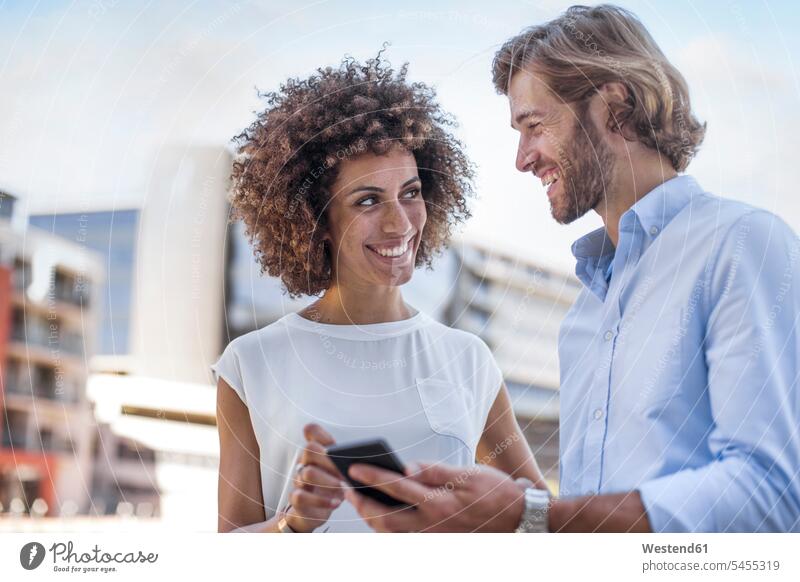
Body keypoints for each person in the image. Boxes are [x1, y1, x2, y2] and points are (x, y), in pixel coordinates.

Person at [346, 4, 800, 532]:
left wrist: (536, 516)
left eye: (534, 125)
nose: (523, 158)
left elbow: (771, 495)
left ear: (614, 106)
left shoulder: (743, 245)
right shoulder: (585, 316)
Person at [211, 52, 547, 533]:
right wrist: (293, 525)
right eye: (367, 200)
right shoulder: (250, 363)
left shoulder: (468, 359)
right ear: (317, 222)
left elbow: (542, 523)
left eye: (410, 193)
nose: (399, 222)